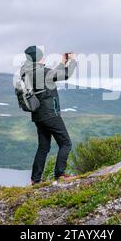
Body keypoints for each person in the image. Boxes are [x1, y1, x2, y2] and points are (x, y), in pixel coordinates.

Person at [21, 46, 78, 185]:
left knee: (43, 147)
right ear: (37, 58)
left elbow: (54, 73)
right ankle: (59, 175)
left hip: (38, 115)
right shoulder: (41, 72)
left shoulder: (27, 72)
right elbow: (64, 75)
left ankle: (35, 180)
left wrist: (62, 62)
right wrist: (73, 61)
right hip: (50, 114)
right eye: (42, 56)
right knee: (65, 143)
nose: (44, 58)